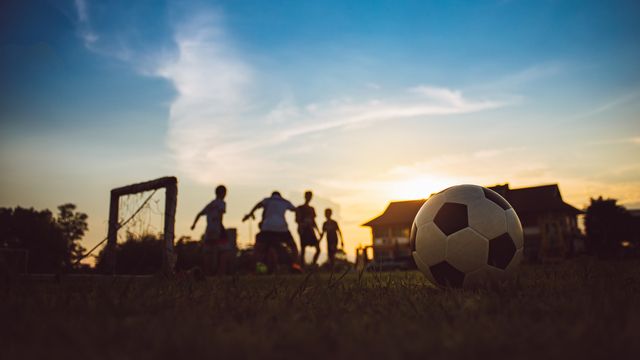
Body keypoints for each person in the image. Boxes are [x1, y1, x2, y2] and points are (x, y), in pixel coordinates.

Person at [243, 191, 300, 273]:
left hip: (267, 227)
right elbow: (296, 209)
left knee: (258, 249)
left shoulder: (267, 200)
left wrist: (250, 213)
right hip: (282, 228)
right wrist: (298, 220)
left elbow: (257, 205)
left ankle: (253, 268)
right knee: (293, 247)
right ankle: (294, 266)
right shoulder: (284, 201)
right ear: (280, 196)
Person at [191, 185, 230, 276]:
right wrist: (220, 228)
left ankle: (208, 272)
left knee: (208, 251)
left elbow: (199, 214)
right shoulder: (222, 203)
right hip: (217, 228)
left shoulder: (210, 204)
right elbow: (220, 216)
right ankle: (220, 272)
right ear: (223, 193)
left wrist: (194, 225)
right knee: (225, 250)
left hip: (209, 230)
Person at [296, 191, 320, 267]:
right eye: (308, 196)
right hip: (303, 230)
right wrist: (302, 227)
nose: (309, 198)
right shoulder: (300, 208)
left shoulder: (312, 209)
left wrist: (318, 231)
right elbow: (297, 220)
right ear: (305, 196)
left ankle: (312, 265)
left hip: (310, 230)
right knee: (303, 249)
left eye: (310, 196)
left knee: (318, 249)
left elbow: (314, 221)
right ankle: (302, 267)